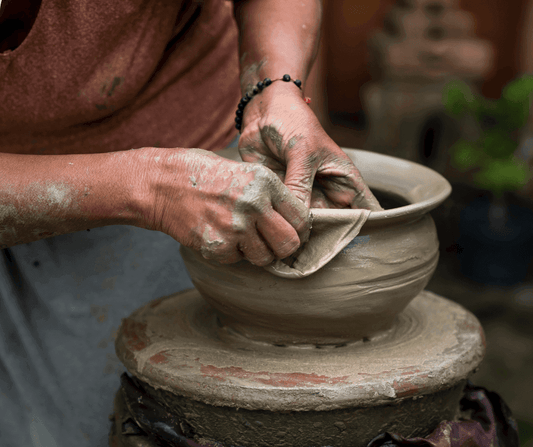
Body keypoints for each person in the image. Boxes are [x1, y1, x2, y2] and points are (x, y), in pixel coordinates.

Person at [0, 0, 380, 445]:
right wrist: (149, 188)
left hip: (180, 119)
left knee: (128, 408)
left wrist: (274, 85)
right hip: (43, 177)